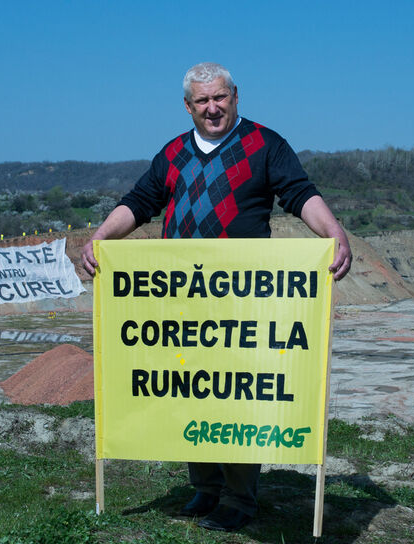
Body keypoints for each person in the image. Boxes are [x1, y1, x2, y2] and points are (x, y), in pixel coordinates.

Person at [81, 62, 351, 532]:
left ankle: (240, 499)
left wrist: (334, 232)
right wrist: (101, 238)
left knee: (237, 398)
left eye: (220, 97)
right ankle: (204, 489)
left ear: (236, 97)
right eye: (202, 101)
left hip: (242, 303)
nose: (212, 108)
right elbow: (140, 201)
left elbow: (299, 193)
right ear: (187, 106)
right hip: (183, 302)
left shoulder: (266, 145)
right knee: (193, 394)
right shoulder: (172, 153)